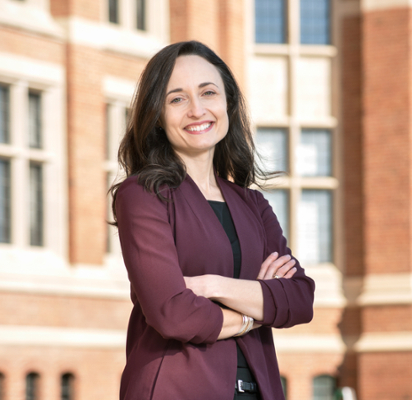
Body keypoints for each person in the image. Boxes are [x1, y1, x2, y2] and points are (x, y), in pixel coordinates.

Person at [110, 40, 315, 400]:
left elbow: (299, 298)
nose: (196, 109)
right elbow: (173, 313)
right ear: (157, 115)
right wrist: (256, 310)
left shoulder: (253, 204)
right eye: (177, 99)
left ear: (228, 103)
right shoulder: (141, 196)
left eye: (208, 92)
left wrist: (211, 286)